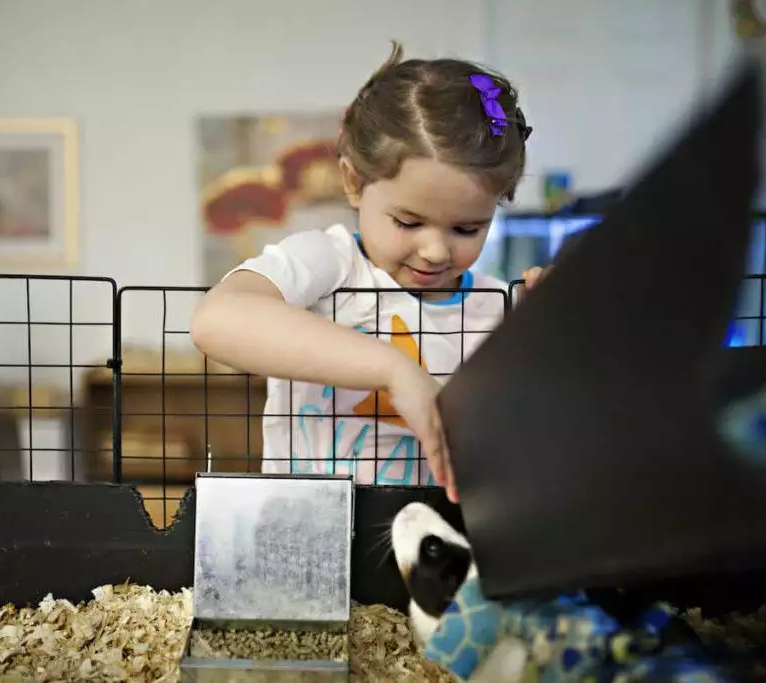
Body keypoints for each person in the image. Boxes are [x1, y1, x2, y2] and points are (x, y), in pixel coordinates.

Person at [191, 42, 545, 502]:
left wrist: (551, 329)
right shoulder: (329, 263)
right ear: (353, 183)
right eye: (408, 222)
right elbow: (215, 321)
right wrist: (393, 370)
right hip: (305, 541)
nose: (435, 250)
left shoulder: (498, 306)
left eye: (467, 227)